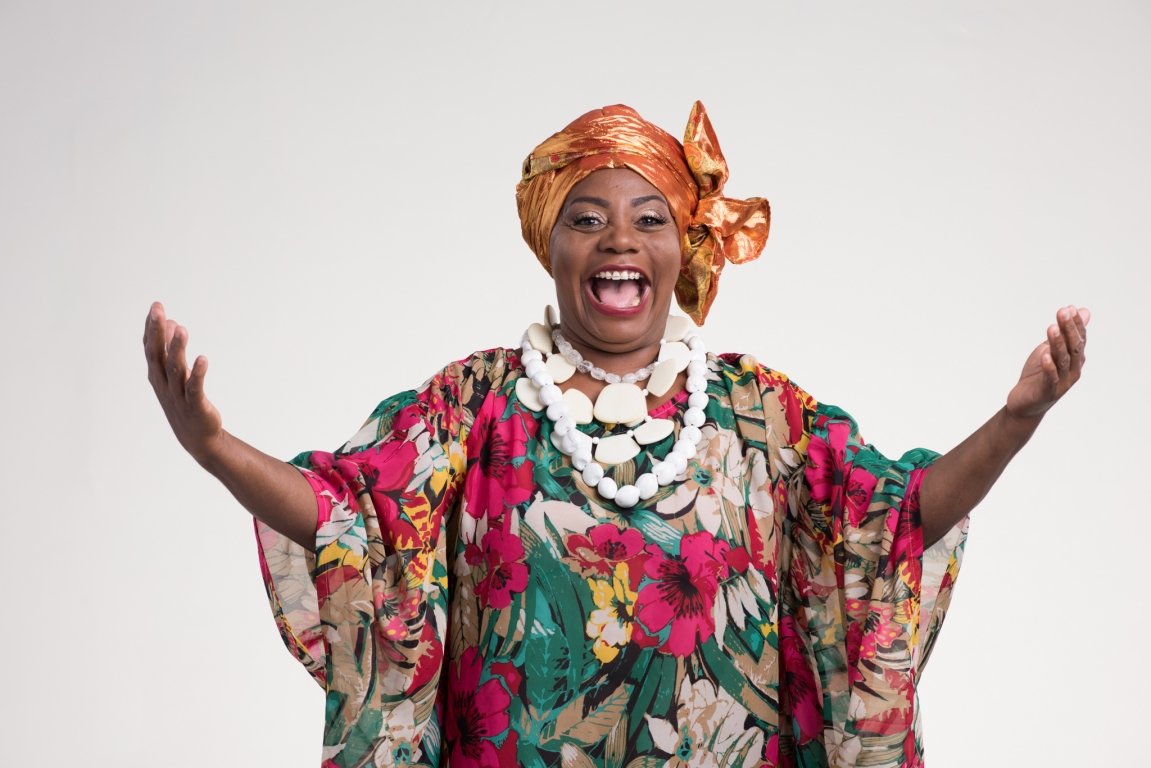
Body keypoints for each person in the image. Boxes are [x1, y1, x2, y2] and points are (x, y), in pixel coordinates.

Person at [143, 102, 1089, 768]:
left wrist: (1016, 420)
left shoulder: (759, 413)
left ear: (683, 250)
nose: (618, 241)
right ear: (549, 244)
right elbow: (351, 513)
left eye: (648, 220)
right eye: (586, 219)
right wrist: (215, 449)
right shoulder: (475, 403)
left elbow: (893, 519)